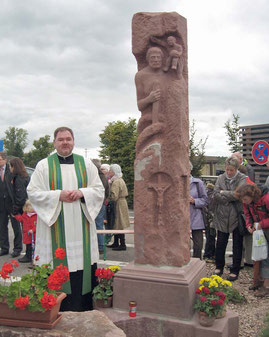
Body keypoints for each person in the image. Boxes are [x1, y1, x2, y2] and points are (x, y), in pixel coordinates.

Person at [27, 126, 104, 311]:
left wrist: (82, 192)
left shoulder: (86, 164)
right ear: (54, 142)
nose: (65, 142)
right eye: (61, 139)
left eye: (68, 139)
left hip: (80, 227)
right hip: (55, 226)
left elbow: (99, 189)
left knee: (80, 267)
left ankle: (82, 307)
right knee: (56, 266)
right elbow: (33, 193)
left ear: (73, 141)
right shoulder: (44, 165)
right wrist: (57, 196)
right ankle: (54, 309)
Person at [213, 156, 246, 281]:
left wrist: (223, 193)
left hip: (236, 215)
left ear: (236, 169)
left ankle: (235, 269)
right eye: (227, 170)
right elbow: (216, 194)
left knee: (237, 243)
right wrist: (228, 195)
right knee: (221, 242)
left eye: (231, 170)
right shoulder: (221, 178)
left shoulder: (242, 178)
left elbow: (239, 195)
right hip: (222, 214)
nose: (229, 172)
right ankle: (219, 266)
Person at [235, 183, 269, 296]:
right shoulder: (248, 202)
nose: (243, 202)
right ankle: (258, 280)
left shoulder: (266, 199)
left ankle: (266, 286)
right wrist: (248, 225)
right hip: (259, 230)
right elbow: (248, 214)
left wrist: (261, 224)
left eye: (245, 199)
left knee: (266, 257)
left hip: (265, 228)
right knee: (258, 256)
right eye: (242, 200)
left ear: (252, 195)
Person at [0, 153, 23, 257]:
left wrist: (16, 205)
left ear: (5, 160)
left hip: (12, 204)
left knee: (16, 227)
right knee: (2, 226)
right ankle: (4, 248)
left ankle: (17, 248)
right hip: (1, 204)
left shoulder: (11, 170)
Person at [106, 164, 130, 251]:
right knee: (118, 223)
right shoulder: (120, 180)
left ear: (114, 172)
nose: (109, 172)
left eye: (110, 171)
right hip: (122, 202)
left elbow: (114, 196)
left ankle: (122, 244)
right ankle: (116, 242)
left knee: (119, 223)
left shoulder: (116, 181)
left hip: (118, 203)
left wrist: (107, 199)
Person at [189, 162, 208, 259]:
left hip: (196, 217)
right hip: (181, 218)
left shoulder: (197, 183)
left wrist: (194, 201)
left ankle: (196, 262)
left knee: (198, 244)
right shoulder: (177, 182)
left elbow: (205, 200)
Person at [91, 159, 109, 254]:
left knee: (97, 224)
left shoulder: (95, 176)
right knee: (99, 224)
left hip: (96, 203)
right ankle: (100, 246)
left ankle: (100, 246)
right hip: (101, 203)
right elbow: (107, 191)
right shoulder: (103, 177)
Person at [203, 182, 217, 263]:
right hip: (211, 219)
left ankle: (209, 254)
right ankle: (209, 255)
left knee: (210, 237)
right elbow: (211, 209)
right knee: (211, 237)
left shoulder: (206, 194)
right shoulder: (212, 196)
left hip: (207, 219)